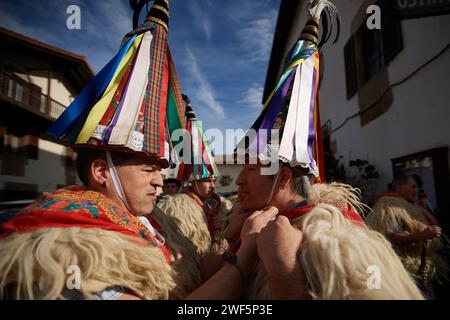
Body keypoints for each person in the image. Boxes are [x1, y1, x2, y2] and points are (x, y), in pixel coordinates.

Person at [0, 0, 268, 300]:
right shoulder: (69, 246)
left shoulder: (146, 222)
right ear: (102, 171)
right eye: (147, 169)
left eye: (159, 169)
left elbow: (192, 274)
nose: (158, 180)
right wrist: (243, 262)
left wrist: (237, 240)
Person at [230, 0, 423, 299]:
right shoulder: (247, 224)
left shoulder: (334, 241)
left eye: (251, 169)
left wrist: (286, 276)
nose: (239, 180)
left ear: (282, 178)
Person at [158, 97, 233, 260]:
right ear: (193, 180)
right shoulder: (175, 207)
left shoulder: (224, 205)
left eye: (214, 181)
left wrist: (227, 226)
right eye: (207, 181)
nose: (213, 186)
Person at [366, 174, 448, 297]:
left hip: (421, 268)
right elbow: (388, 237)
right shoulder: (389, 205)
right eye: (413, 187)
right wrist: (421, 235)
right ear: (399, 188)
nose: (417, 190)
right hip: (405, 271)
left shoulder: (411, 206)